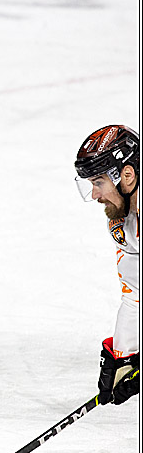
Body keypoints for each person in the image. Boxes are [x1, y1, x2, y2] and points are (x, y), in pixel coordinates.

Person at [74, 125, 140, 405]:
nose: (95, 195)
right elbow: (135, 292)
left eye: (98, 182)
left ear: (127, 175)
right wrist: (125, 353)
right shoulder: (122, 222)